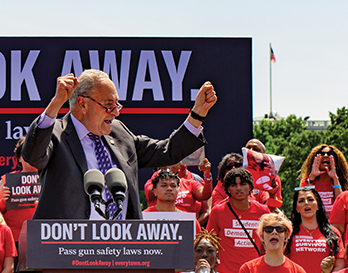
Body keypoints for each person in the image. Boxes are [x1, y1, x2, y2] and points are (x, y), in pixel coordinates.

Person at [22, 70, 216, 220]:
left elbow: (166, 152)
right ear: (82, 104)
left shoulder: (119, 132)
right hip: (66, 253)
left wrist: (197, 115)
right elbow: (33, 155)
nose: (115, 112)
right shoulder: (55, 133)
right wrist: (55, 104)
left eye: (117, 104)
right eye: (108, 105)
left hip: (121, 251)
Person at [0, 138, 38, 273]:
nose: (31, 159)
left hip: (44, 242)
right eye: (26, 155)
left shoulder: (51, 177)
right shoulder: (7, 180)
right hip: (16, 243)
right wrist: (3, 201)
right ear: (19, 158)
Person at [285, 187, 344, 273]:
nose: (306, 203)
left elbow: (339, 265)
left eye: (310, 199)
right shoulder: (288, 232)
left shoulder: (332, 232)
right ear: (296, 208)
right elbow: (284, 264)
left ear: (318, 205)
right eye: (301, 201)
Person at [206, 168, 271, 273]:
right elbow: (208, 242)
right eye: (233, 185)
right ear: (228, 189)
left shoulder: (263, 211)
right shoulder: (218, 211)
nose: (238, 188)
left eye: (243, 184)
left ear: (250, 186)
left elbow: (269, 243)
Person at [299, 145, 348, 214]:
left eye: (330, 153)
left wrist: (335, 178)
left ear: (336, 162)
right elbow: (303, 202)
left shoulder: (342, 183)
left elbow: (341, 205)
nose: (325, 155)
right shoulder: (308, 182)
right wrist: (312, 176)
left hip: (335, 223)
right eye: (321, 153)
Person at [244, 139, 283, 208]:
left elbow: (276, 205)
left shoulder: (273, 177)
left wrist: (272, 193)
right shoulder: (237, 175)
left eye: (256, 149)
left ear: (263, 154)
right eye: (248, 148)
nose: (251, 151)